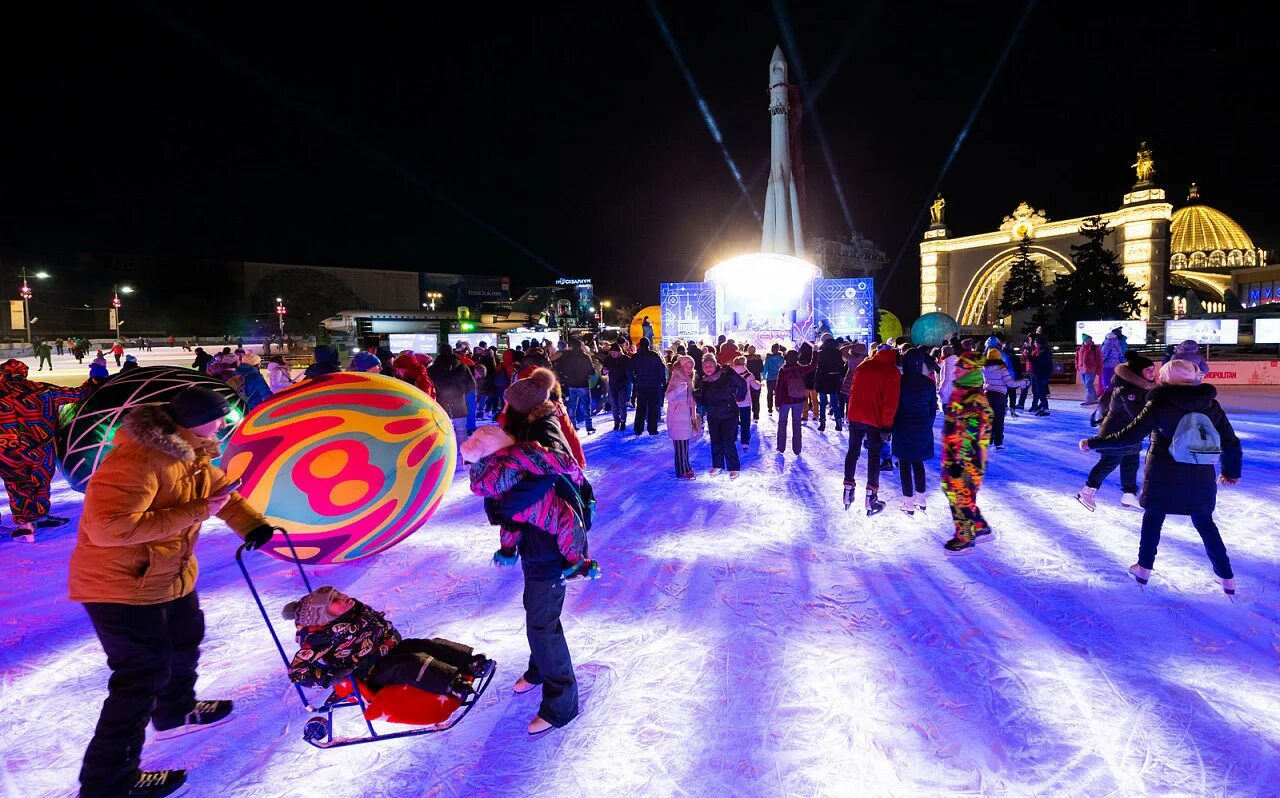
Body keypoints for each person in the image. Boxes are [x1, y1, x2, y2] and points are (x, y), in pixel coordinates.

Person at [69, 387, 275, 798]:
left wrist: (252, 524)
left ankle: (176, 712)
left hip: (169, 574)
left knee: (185, 639)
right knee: (140, 675)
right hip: (121, 585)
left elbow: (223, 497)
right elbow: (108, 529)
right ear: (192, 419)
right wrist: (199, 511)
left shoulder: (194, 452)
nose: (223, 423)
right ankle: (109, 782)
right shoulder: (138, 459)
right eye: (217, 417)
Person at [1081, 359, 1241, 594]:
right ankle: (1226, 577)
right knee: (1205, 523)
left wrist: (1093, 442)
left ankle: (1144, 568)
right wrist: (1231, 471)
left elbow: (1130, 436)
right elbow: (1230, 442)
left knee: (1153, 518)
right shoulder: (1211, 405)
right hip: (1199, 472)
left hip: (1162, 472)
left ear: (1166, 378)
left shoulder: (1159, 403)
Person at [492, 369, 592, 735]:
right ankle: (538, 668)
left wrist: (508, 499)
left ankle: (561, 704)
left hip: (553, 540)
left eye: (507, 405)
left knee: (542, 622)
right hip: (538, 537)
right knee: (537, 610)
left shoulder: (541, 434)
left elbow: (559, 473)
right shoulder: (535, 428)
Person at [284, 586, 490, 701]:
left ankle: (468, 662)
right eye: (335, 600)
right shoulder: (321, 639)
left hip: (387, 649)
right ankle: (452, 683)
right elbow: (297, 672)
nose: (343, 596)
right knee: (411, 662)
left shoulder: (354, 609)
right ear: (324, 616)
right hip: (369, 671)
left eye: (338, 593)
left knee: (425, 645)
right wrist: (330, 677)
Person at [1, 359, 88, 541]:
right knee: (40, 480)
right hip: (39, 447)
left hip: (6, 449)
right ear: (23, 372)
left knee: (16, 482)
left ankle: (25, 524)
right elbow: (78, 394)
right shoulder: (41, 389)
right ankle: (40, 516)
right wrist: (94, 381)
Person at [1076, 352, 1156, 512]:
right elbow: (1138, 414)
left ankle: (1129, 494)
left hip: (1130, 433)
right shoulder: (1128, 390)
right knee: (1110, 462)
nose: (1153, 373)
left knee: (1131, 463)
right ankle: (1086, 491)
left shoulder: (1144, 387)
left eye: (1153, 369)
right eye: (1148, 370)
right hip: (1115, 433)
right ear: (1138, 372)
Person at [941, 353, 994, 553]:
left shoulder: (973, 400)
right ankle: (979, 525)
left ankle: (964, 538)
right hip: (955, 456)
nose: (955, 371)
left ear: (971, 371)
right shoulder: (962, 393)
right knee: (952, 490)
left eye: (961, 368)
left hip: (967, 459)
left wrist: (959, 463)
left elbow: (970, 436)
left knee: (959, 494)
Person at [843, 345, 900, 515]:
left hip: (855, 415)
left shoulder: (863, 365)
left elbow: (853, 391)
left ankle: (848, 489)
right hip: (874, 419)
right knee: (874, 455)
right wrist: (887, 427)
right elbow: (890, 403)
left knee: (853, 451)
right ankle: (871, 496)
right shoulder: (891, 371)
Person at [892, 347, 938, 515]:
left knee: (904, 463)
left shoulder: (899, 381)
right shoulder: (928, 383)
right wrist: (928, 425)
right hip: (922, 425)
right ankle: (921, 498)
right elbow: (933, 408)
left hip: (902, 425)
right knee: (918, 462)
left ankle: (908, 501)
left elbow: (894, 405)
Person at [694, 354, 747, 478]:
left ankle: (734, 467)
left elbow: (742, 384)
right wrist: (696, 397)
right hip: (713, 414)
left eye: (710, 365)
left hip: (729, 413)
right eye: (705, 366)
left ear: (715, 364)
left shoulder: (726, 373)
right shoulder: (703, 380)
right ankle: (717, 464)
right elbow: (702, 398)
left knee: (727, 440)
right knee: (716, 440)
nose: (708, 368)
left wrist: (740, 397)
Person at [427, 350, 477, 465]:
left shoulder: (432, 369)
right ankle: (465, 456)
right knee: (461, 430)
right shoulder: (462, 367)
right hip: (459, 402)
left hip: (440, 404)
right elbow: (471, 385)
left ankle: (445, 458)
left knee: (443, 431)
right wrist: (461, 392)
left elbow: (429, 386)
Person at [981, 348, 1027, 452]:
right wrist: (1022, 382)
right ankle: (998, 444)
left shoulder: (984, 368)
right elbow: (1010, 383)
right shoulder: (1001, 369)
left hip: (987, 396)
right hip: (999, 396)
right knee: (998, 420)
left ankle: (987, 442)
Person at [775, 349, 815, 455]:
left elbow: (778, 387)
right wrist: (815, 352)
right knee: (797, 423)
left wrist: (777, 403)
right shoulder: (800, 369)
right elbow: (813, 365)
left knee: (782, 423)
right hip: (798, 400)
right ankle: (797, 449)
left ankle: (781, 447)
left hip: (785, 400)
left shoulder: (783, 371)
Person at [664, 355, 698, 479]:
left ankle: (686, 467)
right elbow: (667, 396)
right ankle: (682, 470)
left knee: (684, 445)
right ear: (681, 366)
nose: (689, 369)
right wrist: (678, 389)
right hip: (677, 417)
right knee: (680, 446)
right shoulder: (676, 378)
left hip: (686, 417)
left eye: (691, 367)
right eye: (686, 366)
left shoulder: (689, 379)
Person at [554, 339, 596, 435]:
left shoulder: (566, 356)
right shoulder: (585, 357)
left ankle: (572, 426)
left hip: (571, 384)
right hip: (583, 384)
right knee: (586, 405)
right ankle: (589, 427)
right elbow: (591, 370)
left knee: (572, 405)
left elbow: (561, 367)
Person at [628, 338, 667, 435]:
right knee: (653, 408)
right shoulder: (654, 355)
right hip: (654, 385)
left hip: (641, 385)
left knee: (641, 407)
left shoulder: (636, 357)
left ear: (640, 345)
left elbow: (629, 370)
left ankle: (638, 428)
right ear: (648, 345)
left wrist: (634, 380)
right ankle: (652, 429)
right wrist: (662, 382)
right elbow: (661, 369)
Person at [815, 335, 846, 432]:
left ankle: (822, 422)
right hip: (834, 379)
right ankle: (838, 421)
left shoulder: (821, 353)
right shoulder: (837, 352)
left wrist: (817, 382)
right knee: (834, 402)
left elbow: (819, 368)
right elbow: (842, 366)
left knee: (823, 402)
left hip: (824, 379)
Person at [730, 356, 761, 446]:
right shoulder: (749, 375)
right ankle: (745, 441)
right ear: (744, 364)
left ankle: (733, 438)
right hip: (745, 402)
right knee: (745, 422)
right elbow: (756, 387)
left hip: (732, 402)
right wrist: (758, 383)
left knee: (733, 421)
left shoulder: (729, 374)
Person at [601, 343, 632, 432]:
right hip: (612, 384)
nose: (613, 354)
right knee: (614, 404)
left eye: (615, 352)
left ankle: (623, 421)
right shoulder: (608, 359)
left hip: (623, 384)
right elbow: (603, 371)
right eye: (612, 352)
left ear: (620, 352)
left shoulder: (626, 359)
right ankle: (616, 421)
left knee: (621, 404)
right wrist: (604, 371)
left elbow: (630, 371)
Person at [1028, 335, 1054, 416]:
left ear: (1040, 343)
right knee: (1038, 391)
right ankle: (1042, 406)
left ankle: (1045, 408)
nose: (1034, 344)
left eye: (1036, 342)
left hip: (1041, 374)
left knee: (1041, 391)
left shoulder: (1045, 352)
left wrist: (1029, 356)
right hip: (1039, 374)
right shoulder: (1042, 351)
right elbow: (1037, 361)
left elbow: (1038, 363)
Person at [1076, 333, 1103, 406]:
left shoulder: (1094, 348)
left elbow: (1099, 359)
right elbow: (1077, 358)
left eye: (1091, 339)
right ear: (1085, 340)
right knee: (1087, 385)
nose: (1090, 340)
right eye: (1089, 339)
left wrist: (1099, 369)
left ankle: (1089, 400)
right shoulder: (1080, 348)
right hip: (1082, 369)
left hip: (1091, 369)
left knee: (1088, 385)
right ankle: (1094, 399)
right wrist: (1077, 366)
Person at [762, 343, 784, 417]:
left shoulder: (768, 358)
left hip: (770, 378)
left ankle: (770, 409)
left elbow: (765, 368)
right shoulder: (781, 358)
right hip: (779, 378)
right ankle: (779, 407)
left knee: (770, 394)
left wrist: (764, 377)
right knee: (779, 393)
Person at [744, 344, 765, 421]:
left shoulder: (745, 359)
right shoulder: (758, 359)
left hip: (746, 380)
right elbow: (761, 369)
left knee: (747, 397)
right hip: (756, 379)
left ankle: (747, 414)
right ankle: (756, 415)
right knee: (756, 398)